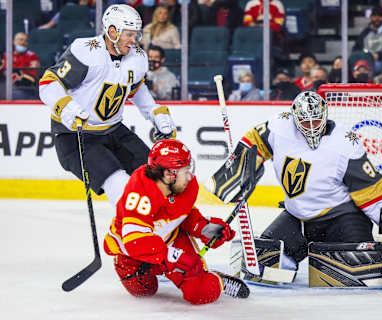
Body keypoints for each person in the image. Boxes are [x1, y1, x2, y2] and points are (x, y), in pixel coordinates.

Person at [207, 91, 382, 282]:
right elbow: (255, 140)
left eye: (316, 120)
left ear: (325, 115)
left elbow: (369, 187)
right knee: (265, 265)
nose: (310, 126)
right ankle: (296, 254)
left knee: (355, 274)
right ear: (294, 117)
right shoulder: (280, 126)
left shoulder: (345, 143)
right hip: (298, 219)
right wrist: (241, 166)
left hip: (343, 218)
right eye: (304, 121)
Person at [38, 4, 176, 208]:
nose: (134, 40)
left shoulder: (137, 57)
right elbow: (48, 83)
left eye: (135, 35)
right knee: (120, 186)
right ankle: (133, 234)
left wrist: (154, 112)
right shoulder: (86, 51)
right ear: (112, 31)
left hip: (114, 131)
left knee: (157, 178)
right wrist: (65, 106)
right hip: (75, 136)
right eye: (129, 34)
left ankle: (168, 231)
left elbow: (136, 89)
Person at [104, 139, 249, 303]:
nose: (189, 175)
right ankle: (162, 268)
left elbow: (182, 215)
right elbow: (135, 241)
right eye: (185, 170)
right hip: (132, 253)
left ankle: (218, 279)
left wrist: (202, 227)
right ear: (168, 174)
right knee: (144, 291)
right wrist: (173, 257)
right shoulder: (139, 192)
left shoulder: (186, 186)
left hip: (171, 240)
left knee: (200, 293)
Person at [353, 6, 382, 75]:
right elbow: (356, 48)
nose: (377, 18)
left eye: (380, 16)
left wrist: (380, 55)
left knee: (377, 66)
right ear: (371, 17)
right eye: (374, 16)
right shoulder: (366, 32)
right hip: (367, 60)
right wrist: (367, 55)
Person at [0, 32, 40, 99]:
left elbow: (32, 77)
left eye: (25, 40)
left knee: (14, 95)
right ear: (14, 42)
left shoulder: (32, 56)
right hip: (5, 86)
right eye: (21, 40)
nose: (23, 42)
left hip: (23, 88)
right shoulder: (6, 56)